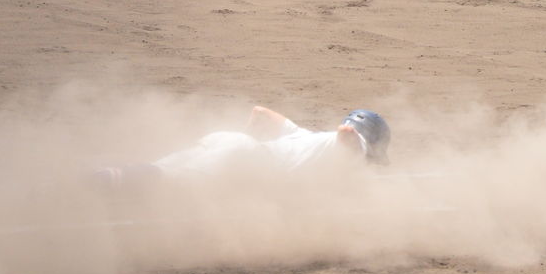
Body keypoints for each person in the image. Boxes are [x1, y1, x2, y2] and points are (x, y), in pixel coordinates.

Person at [92, 106, 390, 191]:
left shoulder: (305, 137)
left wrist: (242, 140)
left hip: (228, 142)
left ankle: (92, 180)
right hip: (245, 158)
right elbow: (347, 133)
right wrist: (351, 141)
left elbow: (260, 112)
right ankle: (89, 184)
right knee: (167, 179)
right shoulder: (350, 146)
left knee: (158, 172)